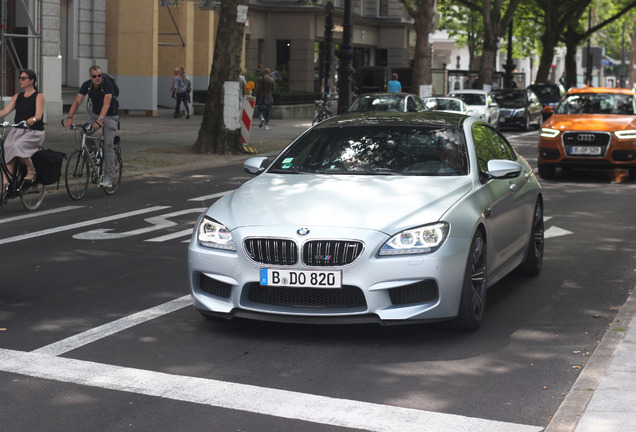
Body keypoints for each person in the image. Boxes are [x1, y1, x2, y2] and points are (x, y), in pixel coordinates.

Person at [65, 65, 119, 188]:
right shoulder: (87, 85)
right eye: (94, 76)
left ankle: (108, 178)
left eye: (99, 75)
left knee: (107, 144)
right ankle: (96, 157)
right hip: (95, 114)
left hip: (110, 115)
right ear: (90, 77)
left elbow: (107, 103)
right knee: (84, 133)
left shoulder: (107, 84)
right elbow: (77, 101)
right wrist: (69, 117)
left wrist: (100, 120)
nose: (97, 78)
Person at [0, 69, 45, 189]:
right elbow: (5, 111)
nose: (20, 80)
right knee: (7, 151)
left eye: (23, 78)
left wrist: (32, 120)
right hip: (17, 131)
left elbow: (39, 115)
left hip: (33, 132)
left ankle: (31, 170)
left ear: (31, 81)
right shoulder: (17, 96)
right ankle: (6, 187)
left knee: (16, 146)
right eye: (20, 78)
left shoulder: (38, 96)